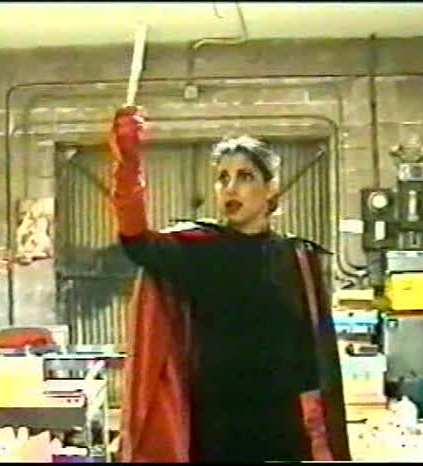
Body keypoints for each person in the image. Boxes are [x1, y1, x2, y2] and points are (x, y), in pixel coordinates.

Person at [111, 106, 350, 462]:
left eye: (245, 176)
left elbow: (311, 361)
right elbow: (136, 241)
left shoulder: (297, 258)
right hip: (216, 434)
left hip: (282, 433)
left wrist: (320, 442)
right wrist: (128, 165)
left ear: (270, 189)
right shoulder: (199, 249)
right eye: (223, 178)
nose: (230, 188)